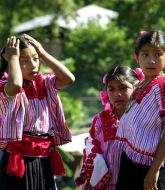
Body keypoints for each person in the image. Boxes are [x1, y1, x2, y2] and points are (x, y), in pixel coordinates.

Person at [0, 34, 75, 190]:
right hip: (19, 159)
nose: (33, 65)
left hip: (43, 156)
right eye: (24, 61)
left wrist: (43, 53)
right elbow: (15, 85)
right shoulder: (5, 86)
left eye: (35, 59)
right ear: (10, 62)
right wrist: (13, 58)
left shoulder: (45, 83)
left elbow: (69, 79)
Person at [115, 30, 165, 190]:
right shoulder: (142, 84)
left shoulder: (164, 86)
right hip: (133, 164)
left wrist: (154, 171)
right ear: (138, 58)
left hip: (153, 167)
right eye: (145, 54)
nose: (151, 60)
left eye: (157, 54)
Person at [75, 65, 141, 190]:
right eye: (111, 89)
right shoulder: (100, 120)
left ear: (136, 89)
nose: (117, 94)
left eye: (123, 88)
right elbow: (92, 152)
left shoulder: (143, 118)